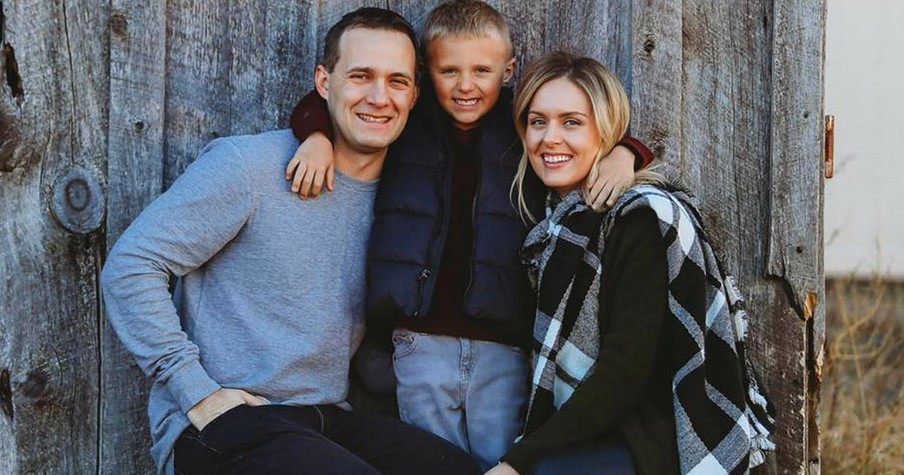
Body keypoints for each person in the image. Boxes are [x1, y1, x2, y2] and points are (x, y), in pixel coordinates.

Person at [100, 7, 482, 475]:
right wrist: (194, 390)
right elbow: (132, 264)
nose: (380, 97)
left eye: (397, 81)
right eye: (361, 75)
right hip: (225, 423)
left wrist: (603, 159)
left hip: (326, 420)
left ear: (415, 94)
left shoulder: (406, 200)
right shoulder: (249, 168)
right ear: (324, 82)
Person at [282, 1, 654, 470]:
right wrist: (316, 137)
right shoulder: (408, 121)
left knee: (500, 459)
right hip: (419, 338)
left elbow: (593, 128)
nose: (465, 85)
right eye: (449, 71)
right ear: (422, 78)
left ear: (508, 70)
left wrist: (625, 154)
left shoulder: (522, 126)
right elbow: (321, 102)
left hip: (502, 343)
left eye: (481, 70)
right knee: (429, 460)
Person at [488, 51, 775, 475]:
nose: (550, 138)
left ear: (606, 131)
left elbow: (624, 371)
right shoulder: (553, 223)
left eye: (572, 122)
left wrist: (517, 461)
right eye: (537, 121)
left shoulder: (641, 218)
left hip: (655, 437)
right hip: (591, 429)